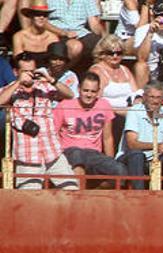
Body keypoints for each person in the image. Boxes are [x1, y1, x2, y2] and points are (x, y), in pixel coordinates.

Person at [0, 53, 77, 190]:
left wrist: (50, 79)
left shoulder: (44, 87)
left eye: (32, 71)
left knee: (72, 190)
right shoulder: (11, 90)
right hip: (28, 157)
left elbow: (70, 95)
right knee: (29, 201)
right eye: (25, 71)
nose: (29, 75)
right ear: (16, 72)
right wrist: (18, 82)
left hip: (53, 153)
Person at [54, 72, 125, 188]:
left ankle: (96, 194)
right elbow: (54, 134)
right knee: (77, 156)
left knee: (120, 170)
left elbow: (107, 138)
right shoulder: (64, 105)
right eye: (85, 90)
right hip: (69, 151)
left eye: (93, 92)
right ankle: (79, 198)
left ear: (98, 91)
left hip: (93, 153)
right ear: (79, 89)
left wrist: (110, 160)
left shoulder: (104, 105)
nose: (89, 95)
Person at [116, 82, 163, 190]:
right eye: (152, 97)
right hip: (133, 157)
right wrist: (157, 146)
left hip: (158, 159)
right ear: (144, 97)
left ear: (162, 99)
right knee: (137, 155)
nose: (155, 101)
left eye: (158, 97)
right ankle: (139, 195)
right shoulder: (134, 111)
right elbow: (132, 144)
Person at [45, 0, 104, 65]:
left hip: (80, 33)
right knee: (75, 47)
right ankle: (61, 72)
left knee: (102, 46)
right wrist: (63, 33)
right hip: (56, 32)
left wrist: (107, 39)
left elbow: (94, 24)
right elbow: (42, 21)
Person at [89, 35, 140, 110]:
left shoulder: (125, 70)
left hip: (130, 112)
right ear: (102, 54)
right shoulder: (97, 71)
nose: (115, 56)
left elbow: (136, 93)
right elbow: (96, 100)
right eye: (110, 53)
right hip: (107, 113)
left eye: (119, 53)